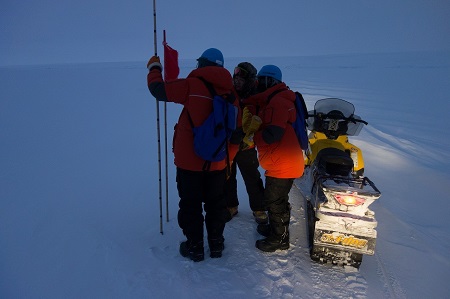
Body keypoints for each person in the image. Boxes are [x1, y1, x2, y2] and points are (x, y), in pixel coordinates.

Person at [147, 48, 238, 262]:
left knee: (190, 204)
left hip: (189, 162)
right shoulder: (231, 94)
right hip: (217, 162)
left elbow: (158, 90)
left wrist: (154, 68)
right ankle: (216, 245)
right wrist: (228, 160)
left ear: (202, 64)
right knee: (215, 204)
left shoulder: (192, 85)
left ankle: (195, 247)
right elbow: (236, 131)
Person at [243, 65, 304, 252]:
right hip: (280, 161)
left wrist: (253, 139)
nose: (257, 84)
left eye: (261, 80)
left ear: (270, 81)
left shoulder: (278, 102)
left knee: (274, 201)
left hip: (284, 162)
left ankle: (280, 239)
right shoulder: (275, 100)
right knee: (277, 199)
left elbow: (274, 133)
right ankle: (277, 230)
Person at [224, 62, 267, 225]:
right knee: (228, 175)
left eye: (241, 78)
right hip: (229, 142)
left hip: (246, 144)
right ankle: (230, 206)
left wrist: (252, 135)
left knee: (252, 176)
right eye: (235, 77)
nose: (237, 81)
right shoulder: (229, 92)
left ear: (249, 80)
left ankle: (259, 208)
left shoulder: (257, 95)